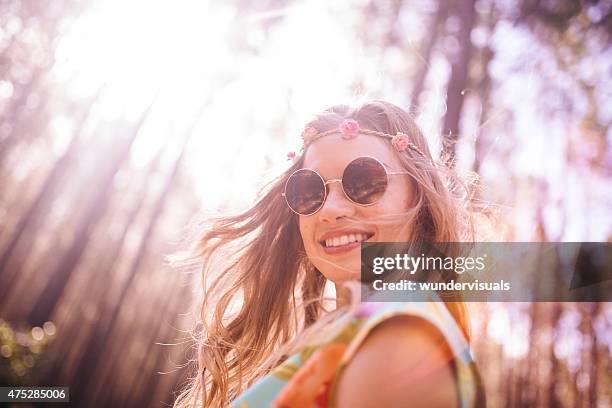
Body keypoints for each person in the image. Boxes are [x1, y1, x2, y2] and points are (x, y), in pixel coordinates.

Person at [174, 100, 486, 407]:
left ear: (418, 196)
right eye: (309, 191)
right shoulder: (336, 346)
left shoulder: (402, 336)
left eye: (365, 182)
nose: (330, 210)